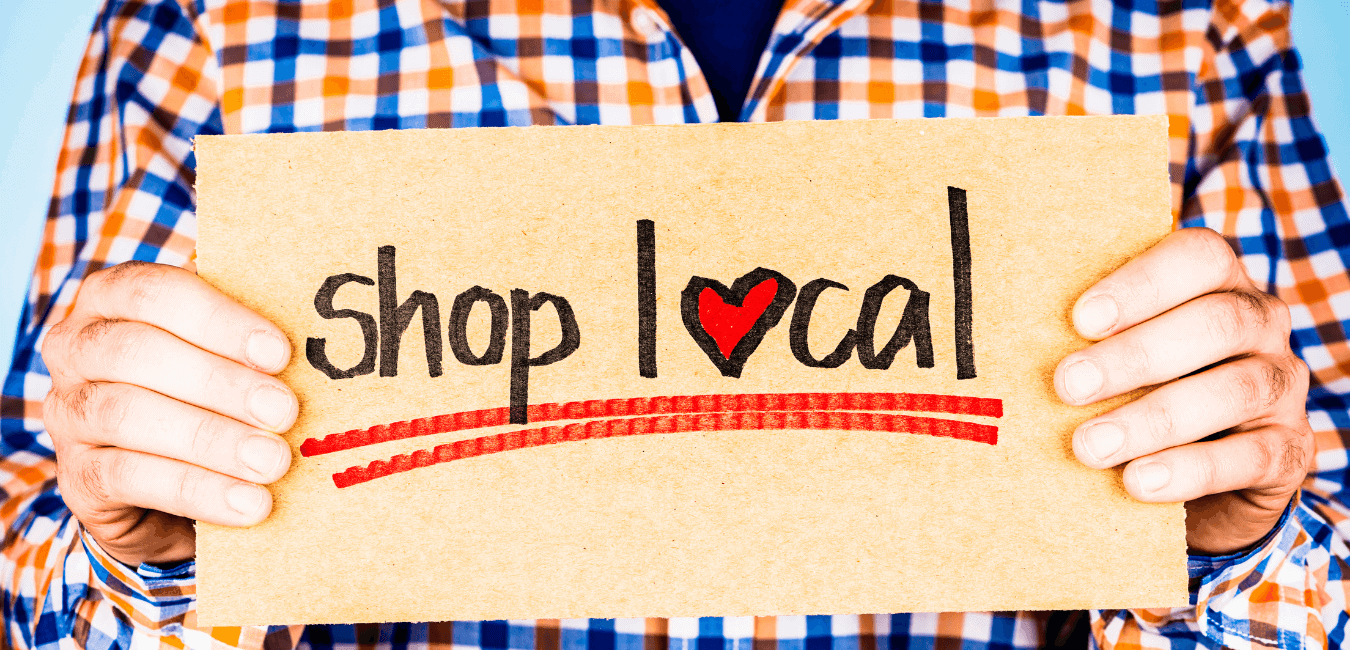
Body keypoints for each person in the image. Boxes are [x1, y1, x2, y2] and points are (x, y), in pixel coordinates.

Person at [2, 0, 1347, 647]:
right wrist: (150, 567)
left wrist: (1241, 543)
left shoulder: (1186, 30)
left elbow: (1329, 581)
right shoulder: (210, 25)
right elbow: (30, 583)